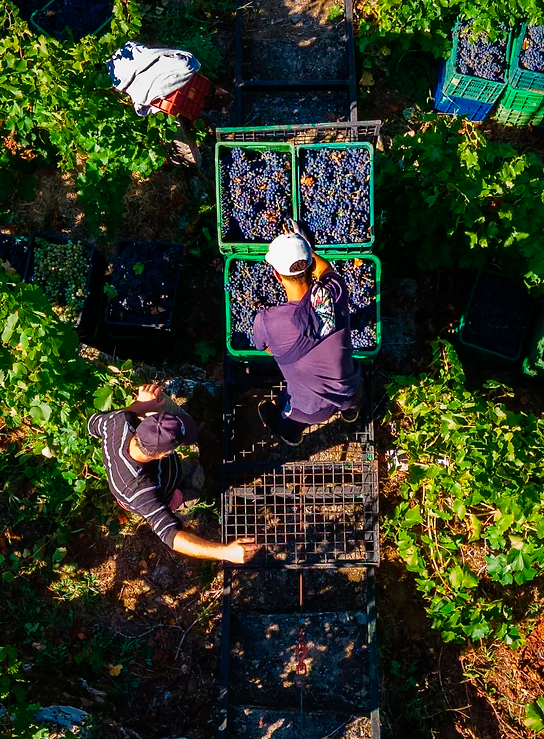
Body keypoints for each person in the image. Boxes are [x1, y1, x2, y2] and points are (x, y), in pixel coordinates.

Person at [88, 382, 258, 563]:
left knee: (189, 471)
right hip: (160, 494)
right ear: (164, 454)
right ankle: (184, 499)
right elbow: (170, 534)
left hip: (167, 474)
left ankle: (186, 477)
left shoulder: (119, 422)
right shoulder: (141, 491)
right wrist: (225, 553)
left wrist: (140, 406)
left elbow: (92, 423)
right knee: (190, 495)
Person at [253, 222, 364, 446]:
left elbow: (265, 348)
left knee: (291, 420)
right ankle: (350, 414)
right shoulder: (335, 292)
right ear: (311, 263)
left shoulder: (266, 321)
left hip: (310, 410)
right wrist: (303, 247)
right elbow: (326, 269)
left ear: (276, 275)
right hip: (349, 391)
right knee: (353, 401)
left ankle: (291, 435)